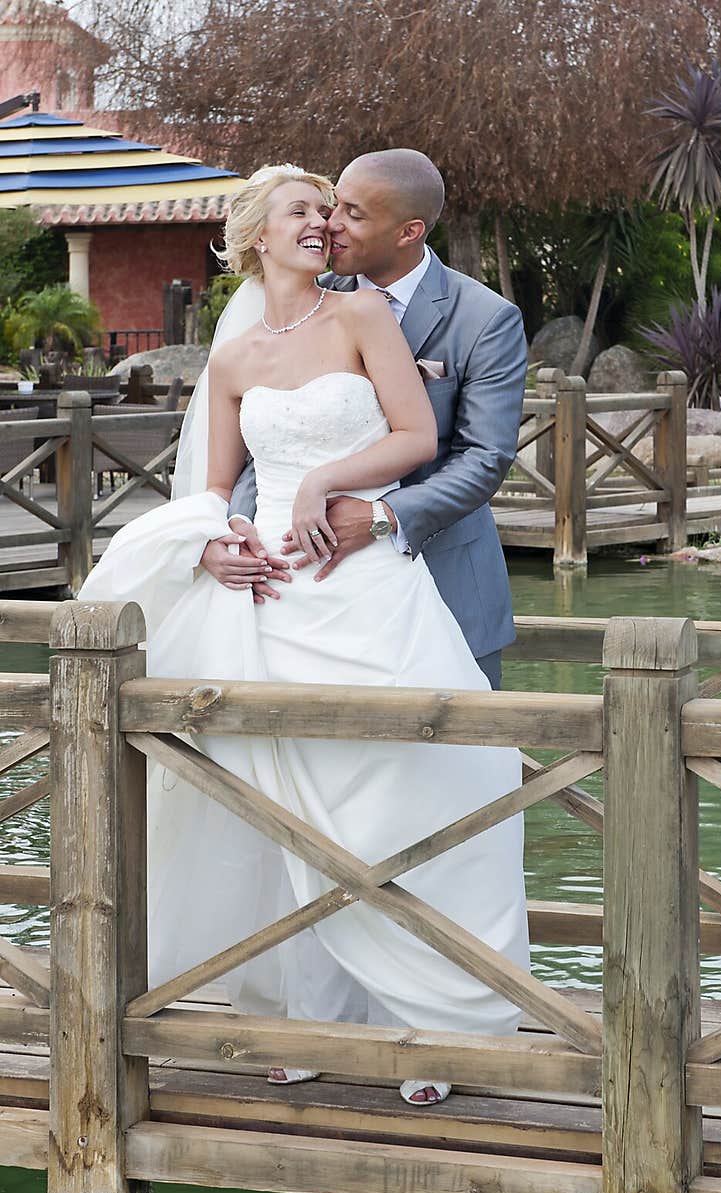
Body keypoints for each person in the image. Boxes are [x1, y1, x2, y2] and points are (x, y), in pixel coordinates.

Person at [78, 163, 530, 1108]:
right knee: (290, 809)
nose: (325, 223)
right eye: (306, 210)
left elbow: (424, 438)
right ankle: (306, 1011)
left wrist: (330, 482)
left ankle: (431, 1023)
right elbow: (214, 491)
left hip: (367, 582)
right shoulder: (234, 359)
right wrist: (215, 549)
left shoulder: (365, 315)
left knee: (409, 797)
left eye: (332, 210)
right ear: (258, 240)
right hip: (276, 596)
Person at [200, 148, 527, 691]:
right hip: (297, 577)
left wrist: (382, 515)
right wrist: (240, 529)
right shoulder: (314, 306)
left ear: (408, 231)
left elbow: (485, 458)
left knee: (453, 762)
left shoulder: (485, 318)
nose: (329, 224)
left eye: (352, 213)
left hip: (443, 578)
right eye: (332, 207)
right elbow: (274, 448)